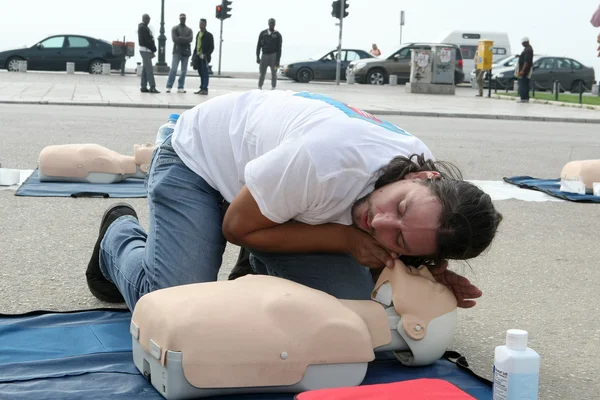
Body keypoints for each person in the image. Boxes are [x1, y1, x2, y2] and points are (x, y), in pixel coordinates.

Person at [85, 89, 503, 313]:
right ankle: (118, 237)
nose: (380, 224)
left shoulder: (420, 201)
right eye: (400, 207)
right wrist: (343, 241)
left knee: (354, 307)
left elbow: (411, 237)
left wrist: (425, 277)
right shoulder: (327, 161)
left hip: (274, 192)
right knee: (170, 303)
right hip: (198, 163)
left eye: (402, 242)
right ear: (423, 175)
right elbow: (236, 226)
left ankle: (257, 262)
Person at [166, 13, 193, 93]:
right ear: (179, 19)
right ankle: (169, 86)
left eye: (184, 18)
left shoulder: (189, 30)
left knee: (184, 71)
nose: (182, 19)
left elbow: (190, 39)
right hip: (177, 51)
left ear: (185, 19)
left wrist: (180, 38)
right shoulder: (175, 28)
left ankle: (180, 86)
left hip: (186, 52)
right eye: (181, 18)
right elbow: (174, 39)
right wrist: (185, 39)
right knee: (173, 69)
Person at [256, 18, 282, 90]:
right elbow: (258, 45)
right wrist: (257, 57)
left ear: (275, 24)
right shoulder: (263, 33)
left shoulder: (278, 35)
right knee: (262, 73)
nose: (272, 24)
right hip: (264, 55)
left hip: (274, 56)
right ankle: (259, 86)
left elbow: (279, 48)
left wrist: (278, 60)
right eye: (270, 23)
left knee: (274, 73)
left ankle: (273, 87)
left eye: (273, 23)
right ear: (268, 24)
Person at [192, 18, 214, 95]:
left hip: (204, 57)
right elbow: (196, 45)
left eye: (203, 24)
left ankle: (205, 88)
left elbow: (212, 47)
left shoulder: (209, 35)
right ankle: (201, 87)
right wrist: (194, 55)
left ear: (205, 25)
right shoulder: (198, 34)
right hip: (198, 56)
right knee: (200, 72)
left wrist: (206, 54)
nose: (201, 25)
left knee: (205, 72)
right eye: (200, 24)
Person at [138, 14, 159, 94]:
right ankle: (152, 87)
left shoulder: (143, 27)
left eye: (149, 19)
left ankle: (143, 87)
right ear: (143, 19)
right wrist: (153, 48)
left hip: (145, 50)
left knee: (145, 69)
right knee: (149, 69)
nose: (148, 20)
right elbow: (146, 40)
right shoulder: (143, 28)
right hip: (145, 50)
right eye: (147, 19)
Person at [516, 37, 534, 103]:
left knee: (523, 84)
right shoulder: (527, 49)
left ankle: (523, 98)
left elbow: (526, 61)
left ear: (526, 42)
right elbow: (524, 58)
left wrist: (522, 70)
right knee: (524, 84)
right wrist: (520, 56)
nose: (522, 44)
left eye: (523, 43)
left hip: (525, 71)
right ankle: (525, 97)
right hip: (525, 70)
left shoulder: (528, 50)